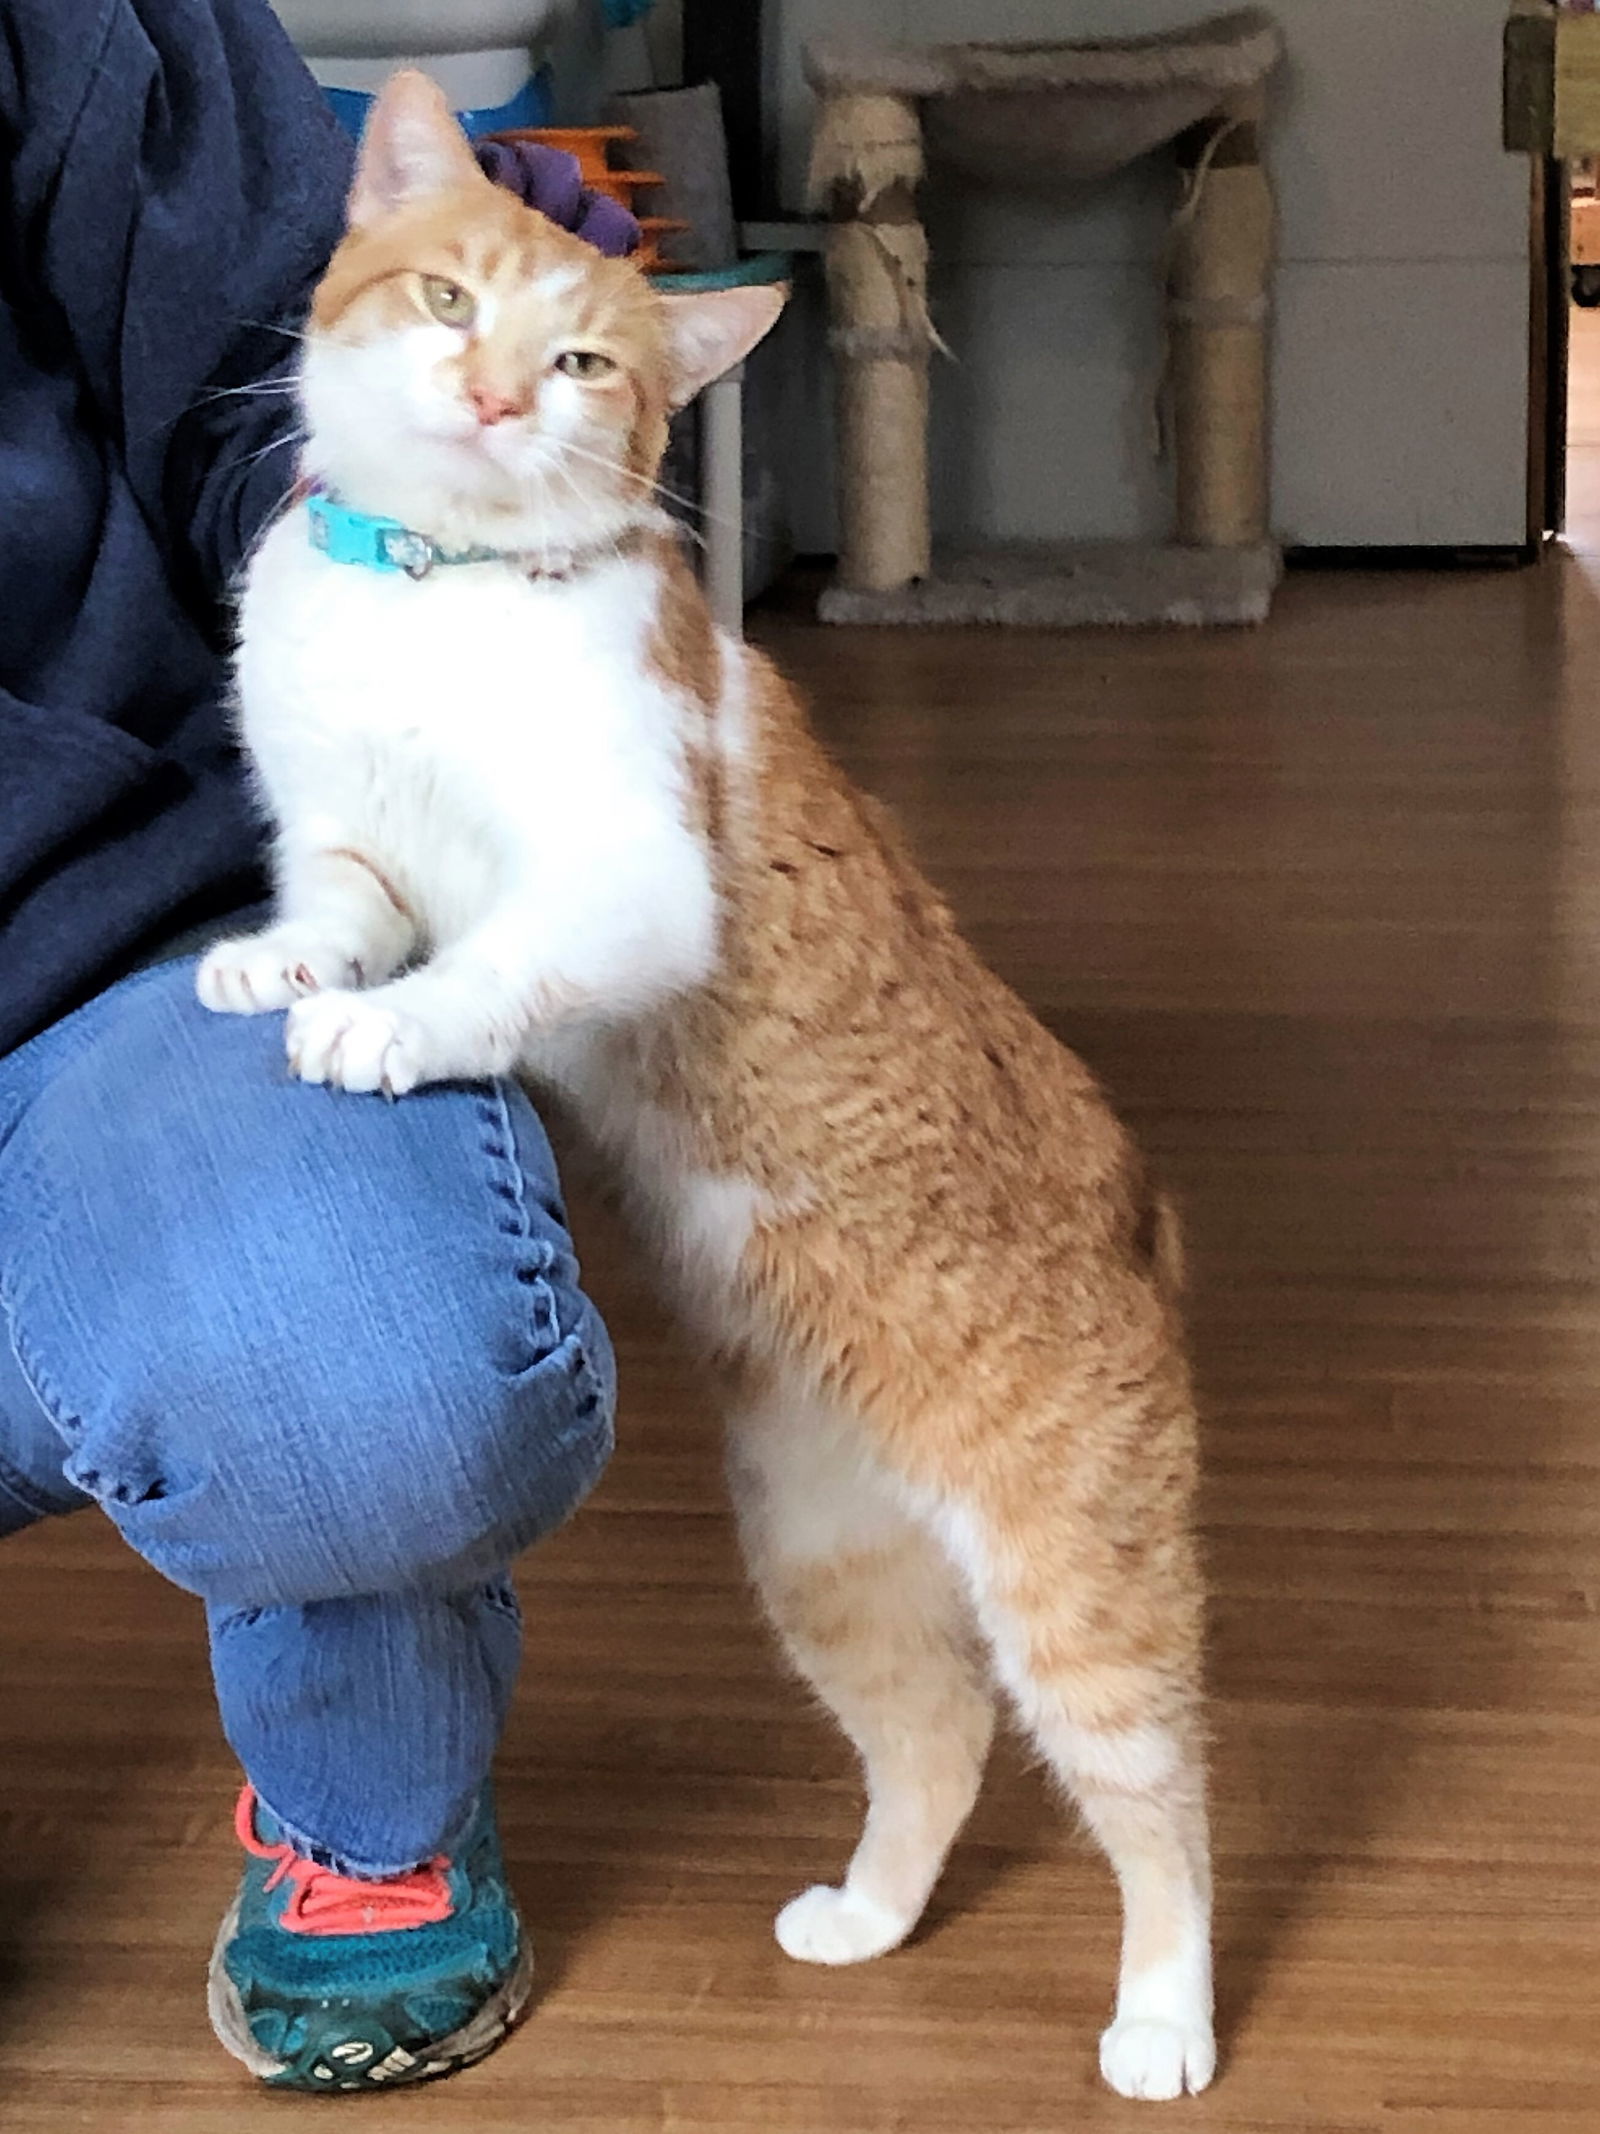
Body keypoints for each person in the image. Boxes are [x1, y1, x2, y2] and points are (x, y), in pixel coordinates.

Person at [0, 0, 620, 2093]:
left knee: (350, 1371)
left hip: (114, 930)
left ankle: (363, 1808)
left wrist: (408, 532)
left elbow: (264, 342)